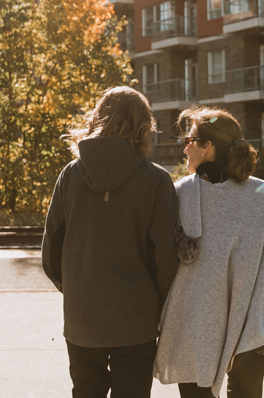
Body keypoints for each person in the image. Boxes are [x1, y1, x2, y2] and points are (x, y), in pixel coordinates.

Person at [42, 86, 180, 398]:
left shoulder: (70, 175)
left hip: (82, 313)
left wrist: (78, 287)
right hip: (137, 316)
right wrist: (157, 302)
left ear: (97, 118)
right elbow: (165, 256)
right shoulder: (156, 180)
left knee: (86, 391)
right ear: (144, 126)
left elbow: (51, 248)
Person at [154, 107, 264, 398]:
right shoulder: (257, 193)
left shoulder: (182, 193)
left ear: (207, 147)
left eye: (190, 140)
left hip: (204, 322)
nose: (185, 146)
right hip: (239, 321)